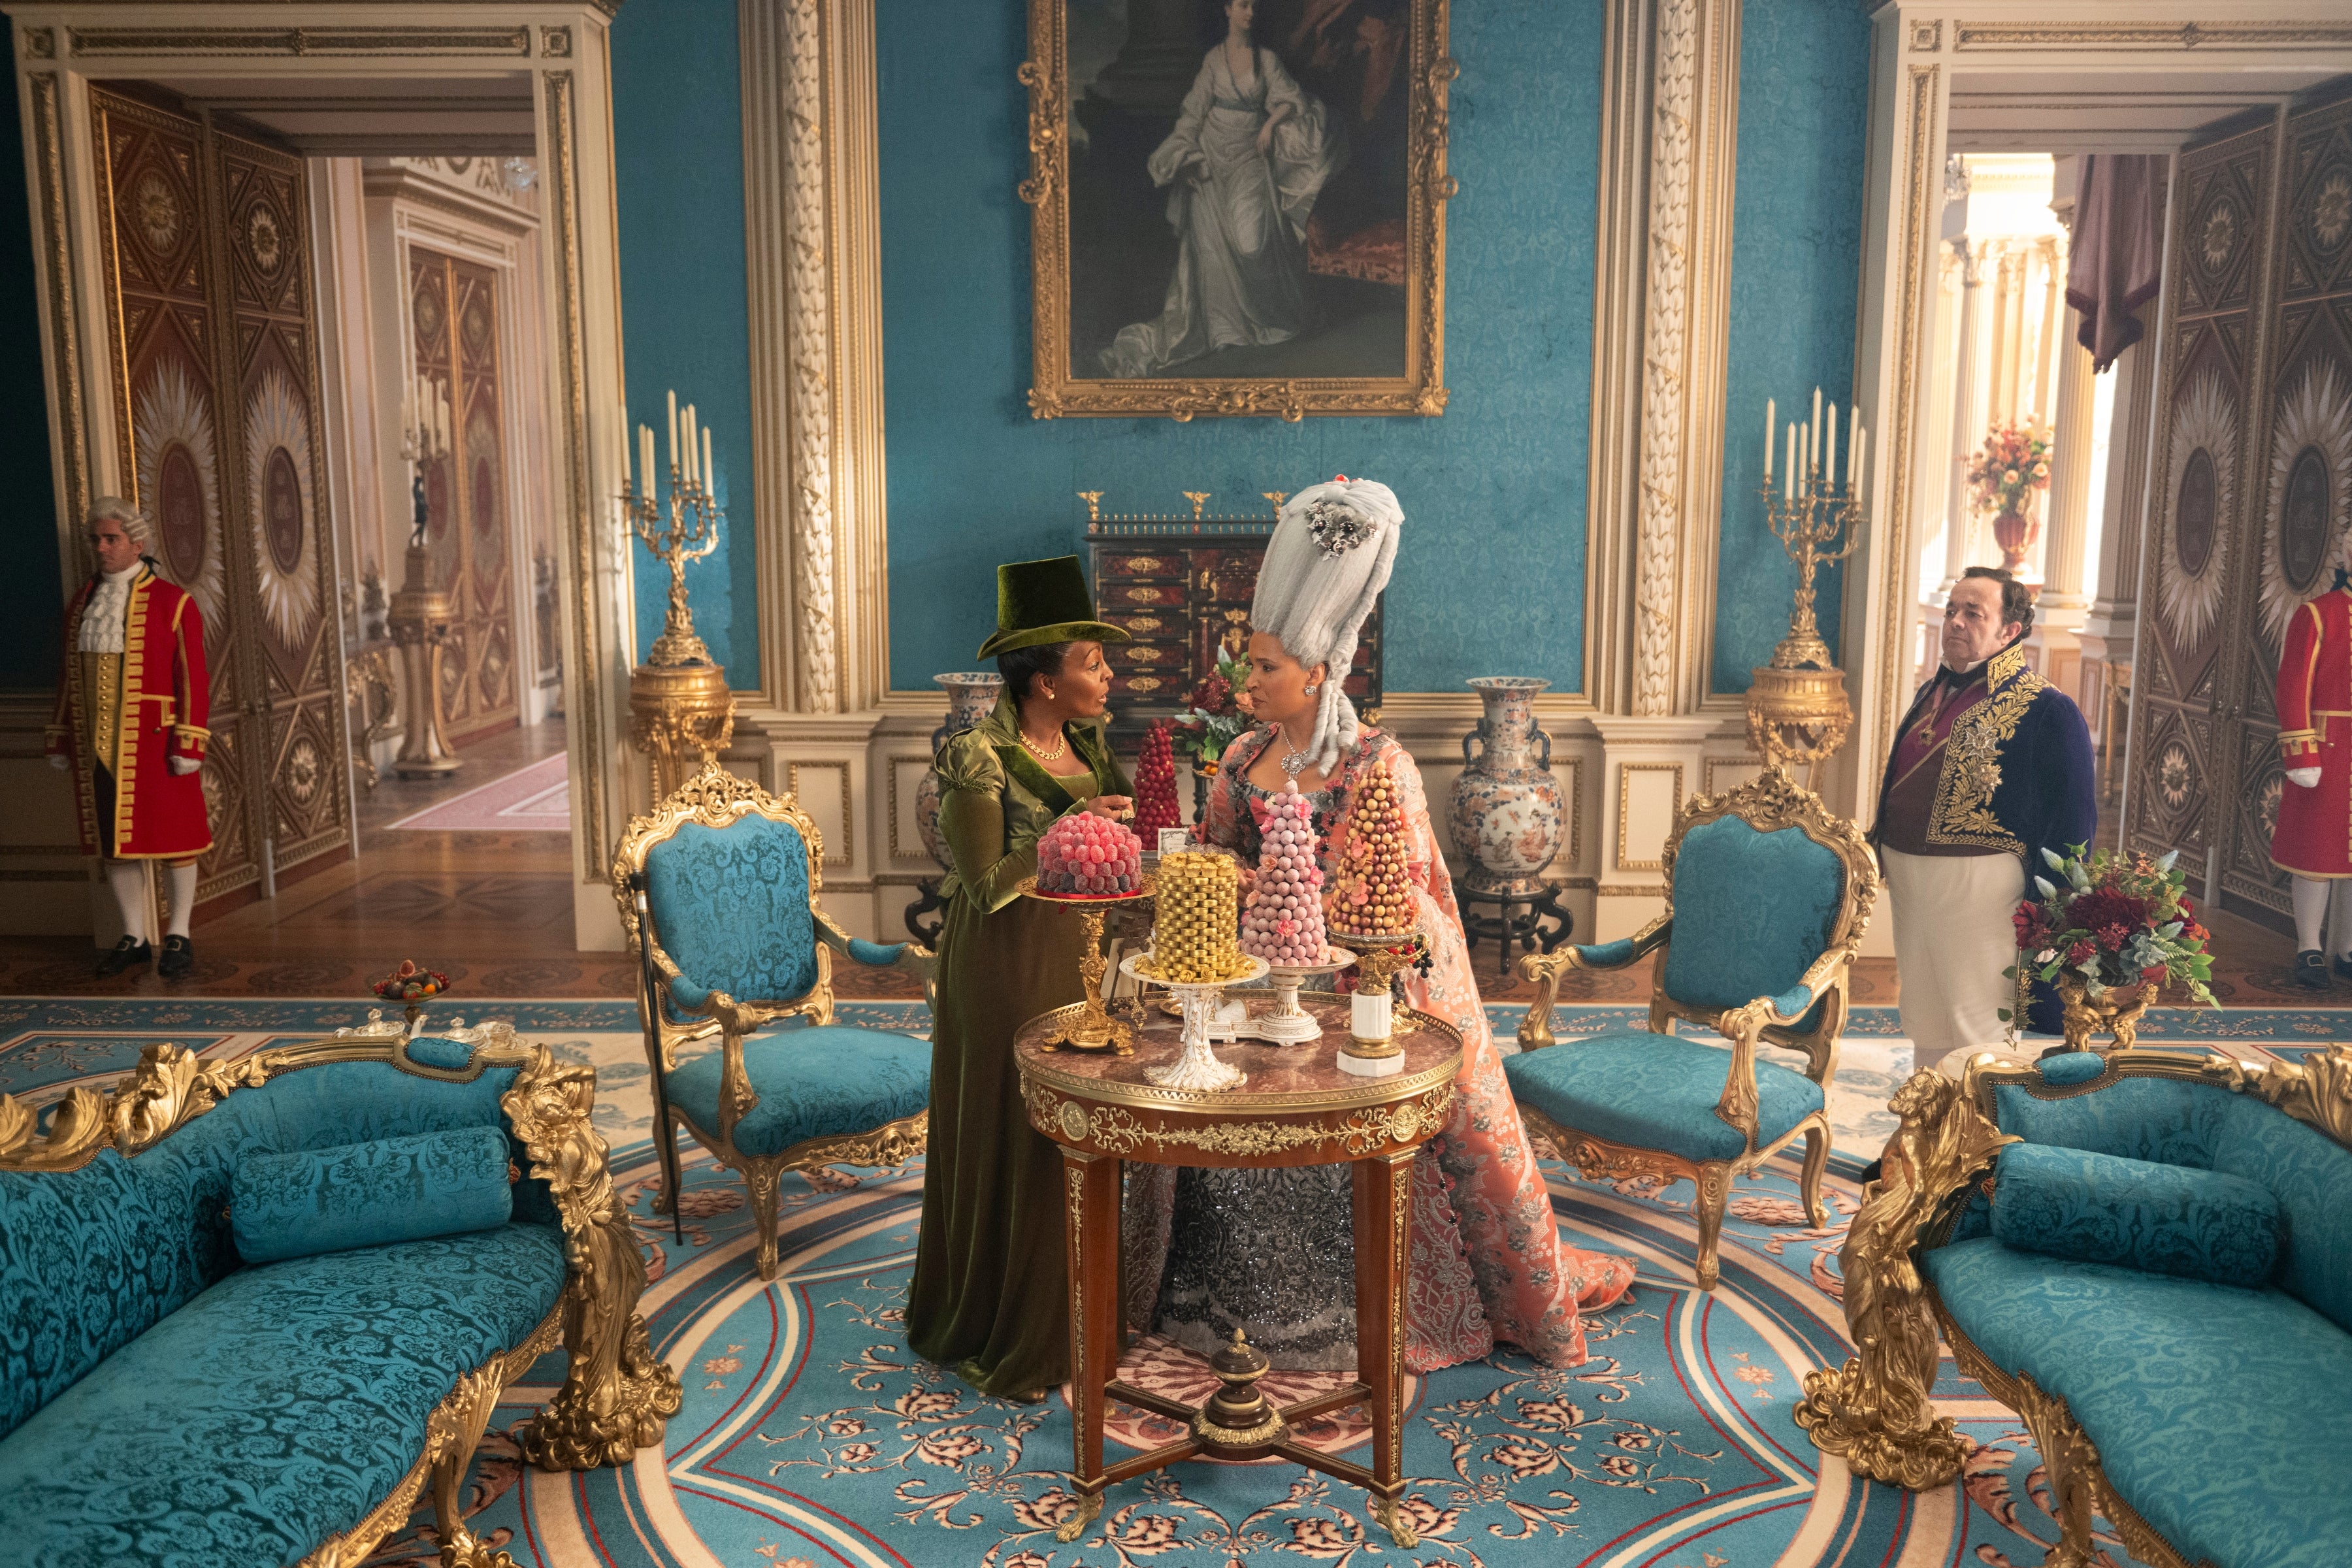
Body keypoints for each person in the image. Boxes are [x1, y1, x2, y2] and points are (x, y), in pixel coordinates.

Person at [1124, 478, 1636, 1372]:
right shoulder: (1241, 757)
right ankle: (1226, 1296)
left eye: (1265, 669)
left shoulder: (1376, 762)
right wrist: (1231, 890)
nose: (1245, 683)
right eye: (1247, 666)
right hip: (1248, 980)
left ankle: (1357, 1305)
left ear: (1319, 671)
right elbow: (1211, 855)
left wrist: (1290, 901)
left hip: (1360, 978)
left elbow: (1391, 892)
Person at [907, 555, 1134, 1401]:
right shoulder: (976, 755)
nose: (1108, 674)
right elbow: (982, 883)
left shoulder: (1088, 743)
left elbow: (1120, 852)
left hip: (1084, 953)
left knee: (1086, 1128)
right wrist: (1070, 828)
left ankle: (1085, 1313)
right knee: (1022, 1129)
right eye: (1091, 662)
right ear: (1042, 681)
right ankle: (1011, 1323)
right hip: (1005, 962)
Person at [1872, 566, 2097, 1080]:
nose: (1955, 622)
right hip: (1910, 880)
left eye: (1973, 613)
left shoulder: (2047, 708)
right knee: (1925, 1019)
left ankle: (1974, 1150)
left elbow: (2074, 819)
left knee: (1977, 1025)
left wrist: (2052, 908)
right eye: (1952, 610)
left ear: (2009, 631)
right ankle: (1924, 1139)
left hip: (1982, 886)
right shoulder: (1932, 691)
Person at [1098, 0, 1343, 379]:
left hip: (1250, 156)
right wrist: (1185, 156)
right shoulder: (1213, 60)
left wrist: (1269, 124)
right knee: (1211, 252)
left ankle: (1265, 319)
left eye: (1254, 7)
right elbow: (1193, 113)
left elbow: (1291, 100)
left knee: (1250, 241)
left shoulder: (1267, 60)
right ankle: (1225, 329)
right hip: (1212, 158)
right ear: (1228, 11)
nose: (1251, 13)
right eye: (1243, 6)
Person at [45, 498, 212, 979]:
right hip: (97, 743)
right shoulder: (81, 603)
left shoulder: (173, 601)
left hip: (157, 743)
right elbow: (67, 676)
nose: (101, 547)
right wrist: (60, 736)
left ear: (136, 542)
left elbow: (192, 678)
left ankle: (178, 932)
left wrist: (189, 742)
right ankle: (134, 936)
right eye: (95, 539)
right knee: (114, 843)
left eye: (111, 538)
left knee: (176, 839)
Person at [2270, 557, 2352, 987]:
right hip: (2329, 752)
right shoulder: (2319, 613)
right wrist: (2302, 753)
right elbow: (2293, 683)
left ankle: (2348, 948)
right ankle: (2309, 946)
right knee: (2317, 855)